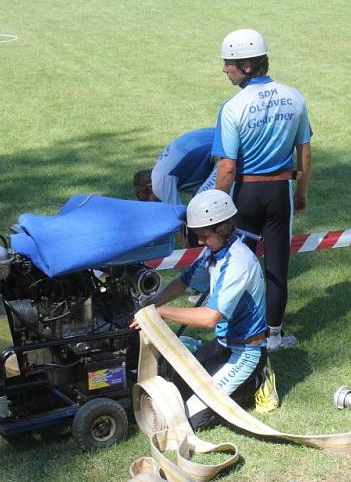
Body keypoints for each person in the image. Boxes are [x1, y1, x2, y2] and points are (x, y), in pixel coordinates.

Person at [131, 189, 268, 430]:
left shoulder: (239, 262)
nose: (199, 242)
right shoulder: (215, 250)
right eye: (196, 236)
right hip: (224, 344)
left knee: (191, 420)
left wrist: (159, 313)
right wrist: (153, 303)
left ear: (223, 229)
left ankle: (255, 382)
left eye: (203, 236)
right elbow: (185, 280)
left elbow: (209, 318)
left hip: (247, 353)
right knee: (176, 383)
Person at [212, 29, 313, 352]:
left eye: (229, 63)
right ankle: (273, 336)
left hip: (246, 194)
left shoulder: (233, 107)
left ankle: (235, 334)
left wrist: (216, 205)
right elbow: (305, 152)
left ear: (247, 66)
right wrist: (302, 192)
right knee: (277, 265)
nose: (224, 69)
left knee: (236, 263)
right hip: (280, 192)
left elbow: (227, 167)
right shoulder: (294, 96)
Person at [133, 127, 217, 206]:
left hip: (222, 151)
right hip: (221, 139)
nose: (159, 202)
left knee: (201, 203)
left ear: (150, 187)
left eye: (155, 200)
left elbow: (176, 213)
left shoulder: (159, 180)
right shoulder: (167, 170)